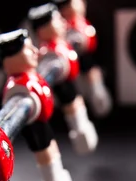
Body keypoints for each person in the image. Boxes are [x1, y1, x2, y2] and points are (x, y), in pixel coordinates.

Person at [0, 29, 74, 181]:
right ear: (11, 59)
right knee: (44, 149)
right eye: (28, 49)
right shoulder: (17, 87)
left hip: (43, 119)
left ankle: (57, 179)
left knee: (50, 147)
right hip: (35, 123)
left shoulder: (32, 77)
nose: (35, 52)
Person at [29, 3, 98, 155]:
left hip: (69, 79)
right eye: (56, 20)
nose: (62, 22)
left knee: (73, 101)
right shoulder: (47, 54)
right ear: (43, 30)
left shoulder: (63, 42)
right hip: (52, 92)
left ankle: (81, 125)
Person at [52, 0, 112, 117]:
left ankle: (98, 92)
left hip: (87, 71)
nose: (67, 10)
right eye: (64, 7)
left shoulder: (90, 22)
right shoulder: (55, 24)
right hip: (65, 73)